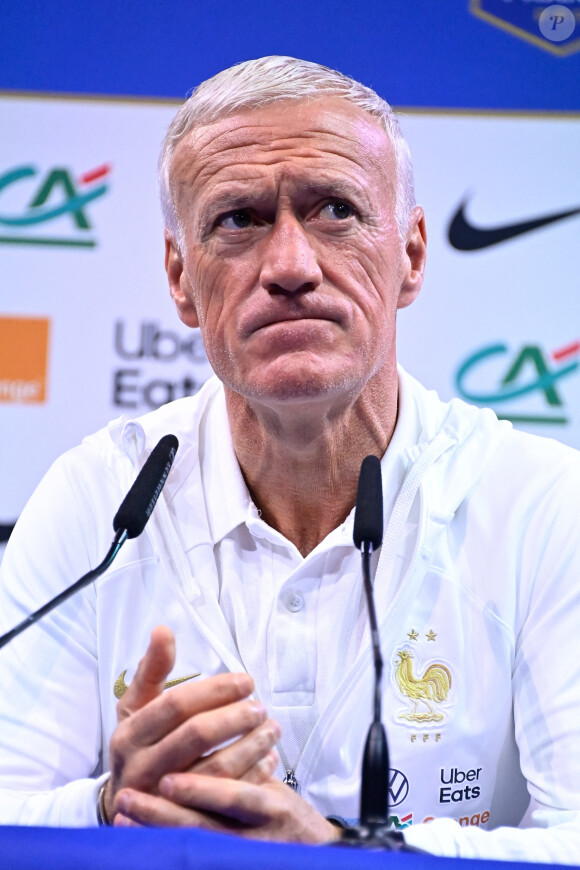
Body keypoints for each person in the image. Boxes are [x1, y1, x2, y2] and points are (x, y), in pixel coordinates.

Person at [0, 55, 579, 862]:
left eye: (336, 210)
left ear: (411, 255)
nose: (290, 267)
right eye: (238, 220)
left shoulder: (543, 505)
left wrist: (348, 848)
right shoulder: (99, 497)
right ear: (180, 277)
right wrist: (112, 804)